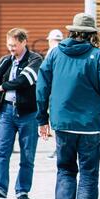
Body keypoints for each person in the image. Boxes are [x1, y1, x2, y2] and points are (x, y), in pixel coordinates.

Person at [36, 13, 100, 199]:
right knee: (89, 175)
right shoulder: (98, 55)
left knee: (65, 169)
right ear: (93, 34)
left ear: (71, 32)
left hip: (62, 123)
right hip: (90, 125)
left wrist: (42, 118)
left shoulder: (54, 54)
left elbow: (41, 87)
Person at [0, 28, 43, 199]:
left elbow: (25, 79)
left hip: (28, 114)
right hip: (6, 112)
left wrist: (3, 86)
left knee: (27, 154)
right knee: (1, 152)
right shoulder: (6, 60)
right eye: (9, 45)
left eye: (14, 45)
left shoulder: (35, 59)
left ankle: (22, 191)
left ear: (24, 42)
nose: (11, 49)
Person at [45, 29, 64, 160]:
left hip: (54, 92)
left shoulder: (52, 52)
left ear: (50, 40)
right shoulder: (63, 51)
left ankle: (59, 149)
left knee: (55, 122)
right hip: (63, 92)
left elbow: (46, 74)